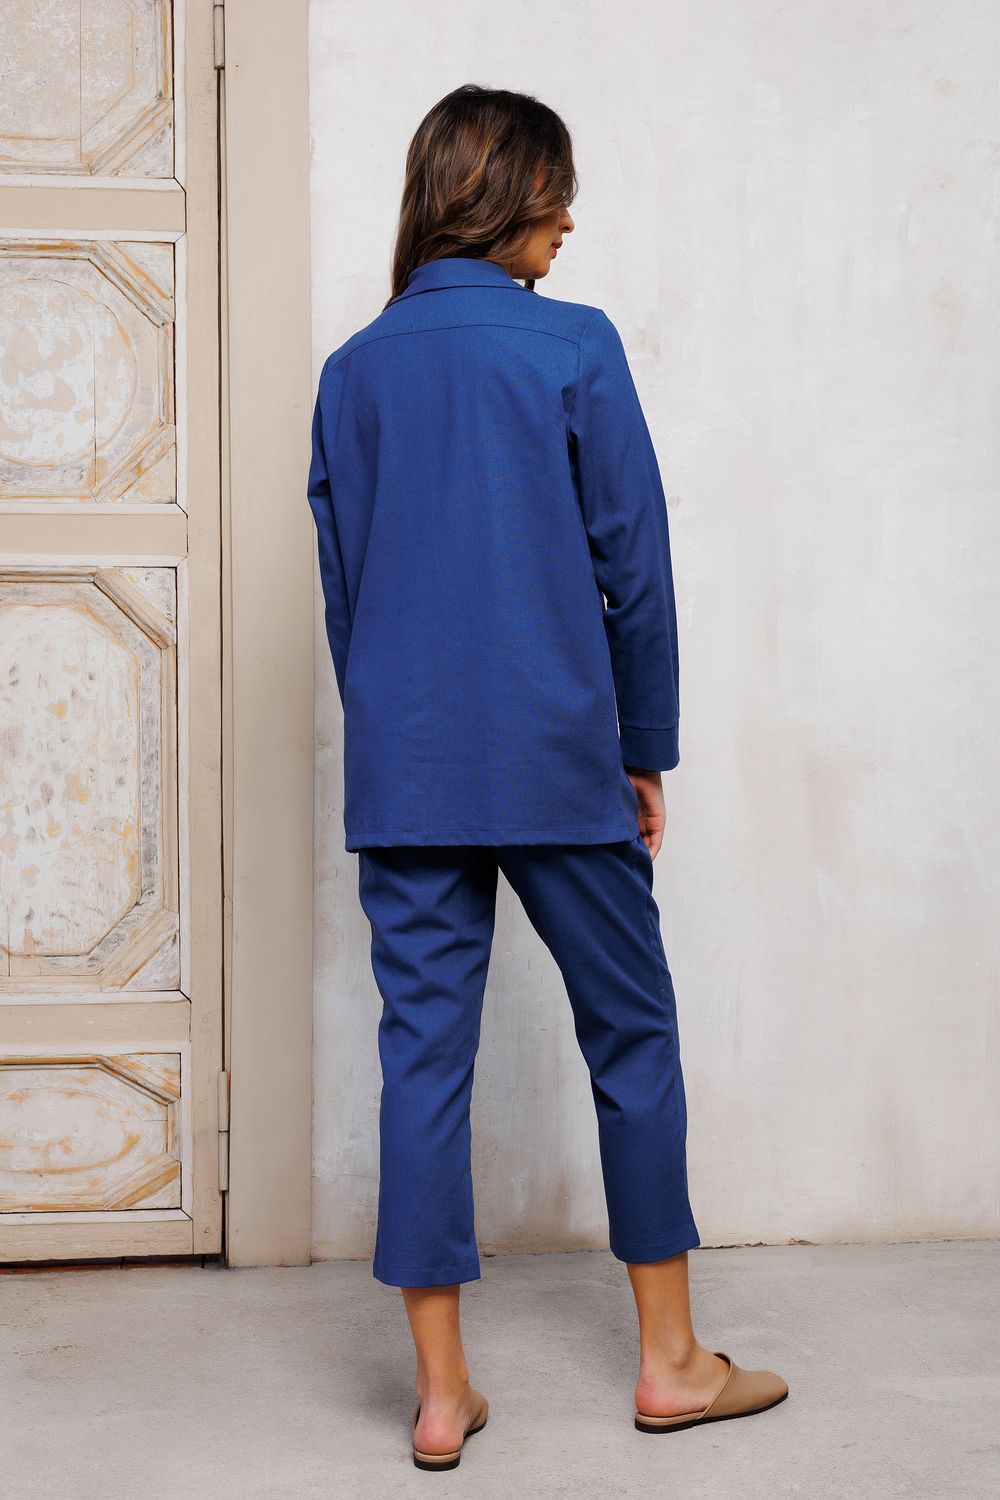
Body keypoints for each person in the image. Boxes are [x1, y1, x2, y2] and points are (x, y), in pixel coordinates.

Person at [307, 82, 788, 1472]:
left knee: (422, 1057)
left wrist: (396, 730)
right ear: (503, 194)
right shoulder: (574, 345)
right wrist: (644, 747)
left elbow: (347, 590)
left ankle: (440, 1395)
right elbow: (635, 564)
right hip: (561, 751)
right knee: (632, 1033)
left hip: (410, 766)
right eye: (555, 193)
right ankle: (671, 1363)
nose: (570, 222)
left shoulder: (354, 370)